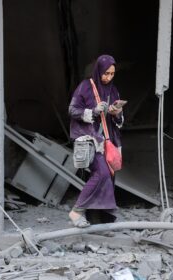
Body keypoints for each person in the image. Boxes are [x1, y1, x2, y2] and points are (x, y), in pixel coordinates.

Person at [68, 54, 124, 228]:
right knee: (102, 174)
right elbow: (72, 110)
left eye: (112, 74)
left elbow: (120, 121)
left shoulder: (113, 90)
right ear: (98, 70)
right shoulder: (85, 87)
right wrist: (93, 111)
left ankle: (100, 222)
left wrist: (117, 114)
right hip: (91, 140)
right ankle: (76, 211)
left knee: (108, 179)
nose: (108, 77)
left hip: (109, 141)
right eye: (106, 73)